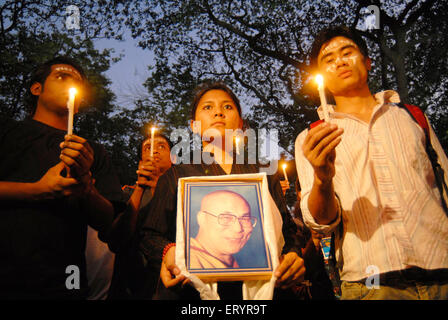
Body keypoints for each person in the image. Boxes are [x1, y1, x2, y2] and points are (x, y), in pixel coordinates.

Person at [295, 25, 448, 300]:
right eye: (328, 60)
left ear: (367, 62)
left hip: (443, 270)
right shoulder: (312, 138)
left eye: (347, 52)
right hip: (370, 285)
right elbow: (322, 222)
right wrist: (322, 177)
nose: (339, 61)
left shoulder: (413, 118)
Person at [139, 81, 305, 300]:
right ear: (194, 125)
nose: (218, 112)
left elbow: (288, 231)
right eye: (208, 107)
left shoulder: (264, 173)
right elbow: (150, 234)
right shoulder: (176, 175)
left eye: (227, 107)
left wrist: (293, 255)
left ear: (241, 124)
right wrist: (168, 251)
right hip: (194, 294)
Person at [0, 56, 125, 299]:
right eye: (61, 76)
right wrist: (37, 190)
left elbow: (109, 222)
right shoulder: (7, 133)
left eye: (77, 82)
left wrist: (86, 186)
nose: (70, 84)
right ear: (37, 88)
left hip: (64, 284)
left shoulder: (90, 152)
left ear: (77, 105)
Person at [107, 133, 173, 299]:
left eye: (161, 146)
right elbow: (117, 240)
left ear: (173, 160)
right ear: (140, 162)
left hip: (168, 284)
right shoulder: (127, 194)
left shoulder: (181, 194)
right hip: (129, 287)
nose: (155, 151)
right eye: (148, 148)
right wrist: (140, 188)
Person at [189, 190, 256, 269]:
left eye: (245, 218)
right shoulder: (188, 261)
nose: (238, 229)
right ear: (202, 219)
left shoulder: (227, 260)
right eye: (226, 218)